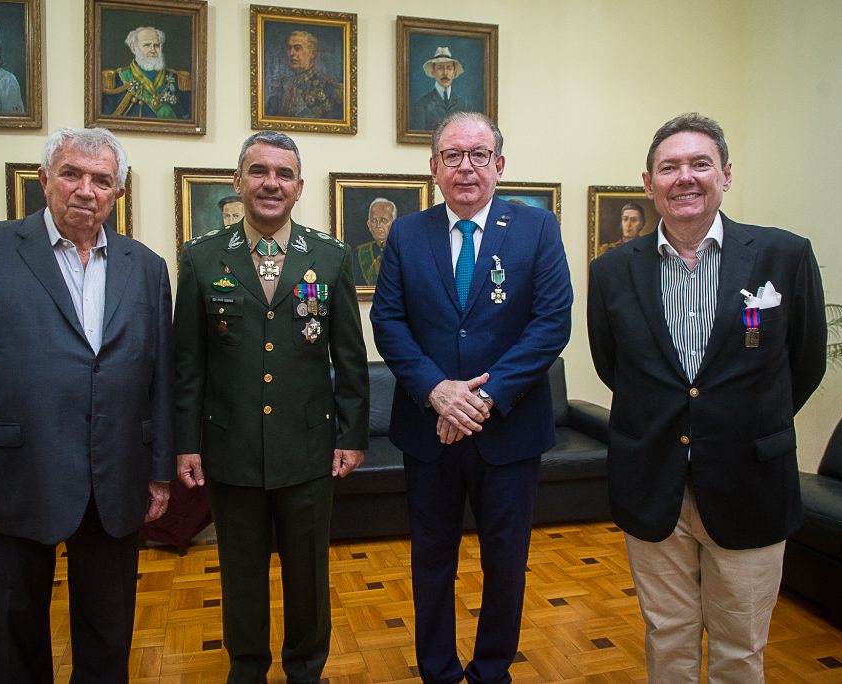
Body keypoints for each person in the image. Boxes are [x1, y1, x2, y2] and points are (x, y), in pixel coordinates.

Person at [0, 127, 175, 682]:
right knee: (11, 630)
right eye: (72, 174)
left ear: (118, 193)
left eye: (101, 180)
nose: (86, 190)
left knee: (109, 629)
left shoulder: (148, 267)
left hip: (114, 478)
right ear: (44, 179)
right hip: (16, 474)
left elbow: (161, 378)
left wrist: (158, 473)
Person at [586, 112, 827, 682]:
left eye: (700, 164)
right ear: (648, 183)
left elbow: (805, 362)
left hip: (751, 483)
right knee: (667, 640)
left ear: (726, 175)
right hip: (653, 484)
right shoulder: (612, 270)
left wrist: (739, 422)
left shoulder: (783, 258)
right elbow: (611, 364)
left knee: (740, 647)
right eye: (669, 167)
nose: (684, 178)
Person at [370, 112, 573, 684]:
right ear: (433, 166)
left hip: (507, 432)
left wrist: (482, 399)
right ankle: (437, 669)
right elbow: (388, 323)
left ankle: (491, 671)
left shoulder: (537, 229)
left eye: (479, 155)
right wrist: (437, 391)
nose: (466, 167)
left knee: (505, 563)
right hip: (427, 431)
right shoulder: (408, 234)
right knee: (431, 561)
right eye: (453, 155)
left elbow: (551, 323)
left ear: (499, 166)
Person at [173, 131, 369, 684]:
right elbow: (188, 362)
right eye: (259, 171)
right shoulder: (203, 257)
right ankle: (247, 668)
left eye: (284, 174)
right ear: (238, 181)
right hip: (230, 446)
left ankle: (306, 669)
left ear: (299, 187)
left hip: (309, 447)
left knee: (307, 573)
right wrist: (187, 441)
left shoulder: (330, 257)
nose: (271, 183)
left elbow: (350, 356)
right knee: (241, 572)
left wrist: (352, 435)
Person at [101, 26, 192, 119]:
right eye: (147, 45)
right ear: (134, 49)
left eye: (156, 45)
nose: (153, 50)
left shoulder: (176, 79)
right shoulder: (118, 79)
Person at [266, 30, 343, 120]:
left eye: (297, 48)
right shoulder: (281, 87)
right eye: (289, 48)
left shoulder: (331, 88)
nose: (291, 53)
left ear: (313, 53)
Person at [410, 47, 469, 131]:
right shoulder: (421, 105)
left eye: (449, 68)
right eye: (440, 68)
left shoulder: (463, 105)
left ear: (454, 73)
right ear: (433, 72)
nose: (445, 73)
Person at [353, 197, 396, 285]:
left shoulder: (402, 251)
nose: (378, 225)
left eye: (384, 220)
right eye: (374, 221)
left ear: (394, 224)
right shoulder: (357, 253)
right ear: (369, 225)